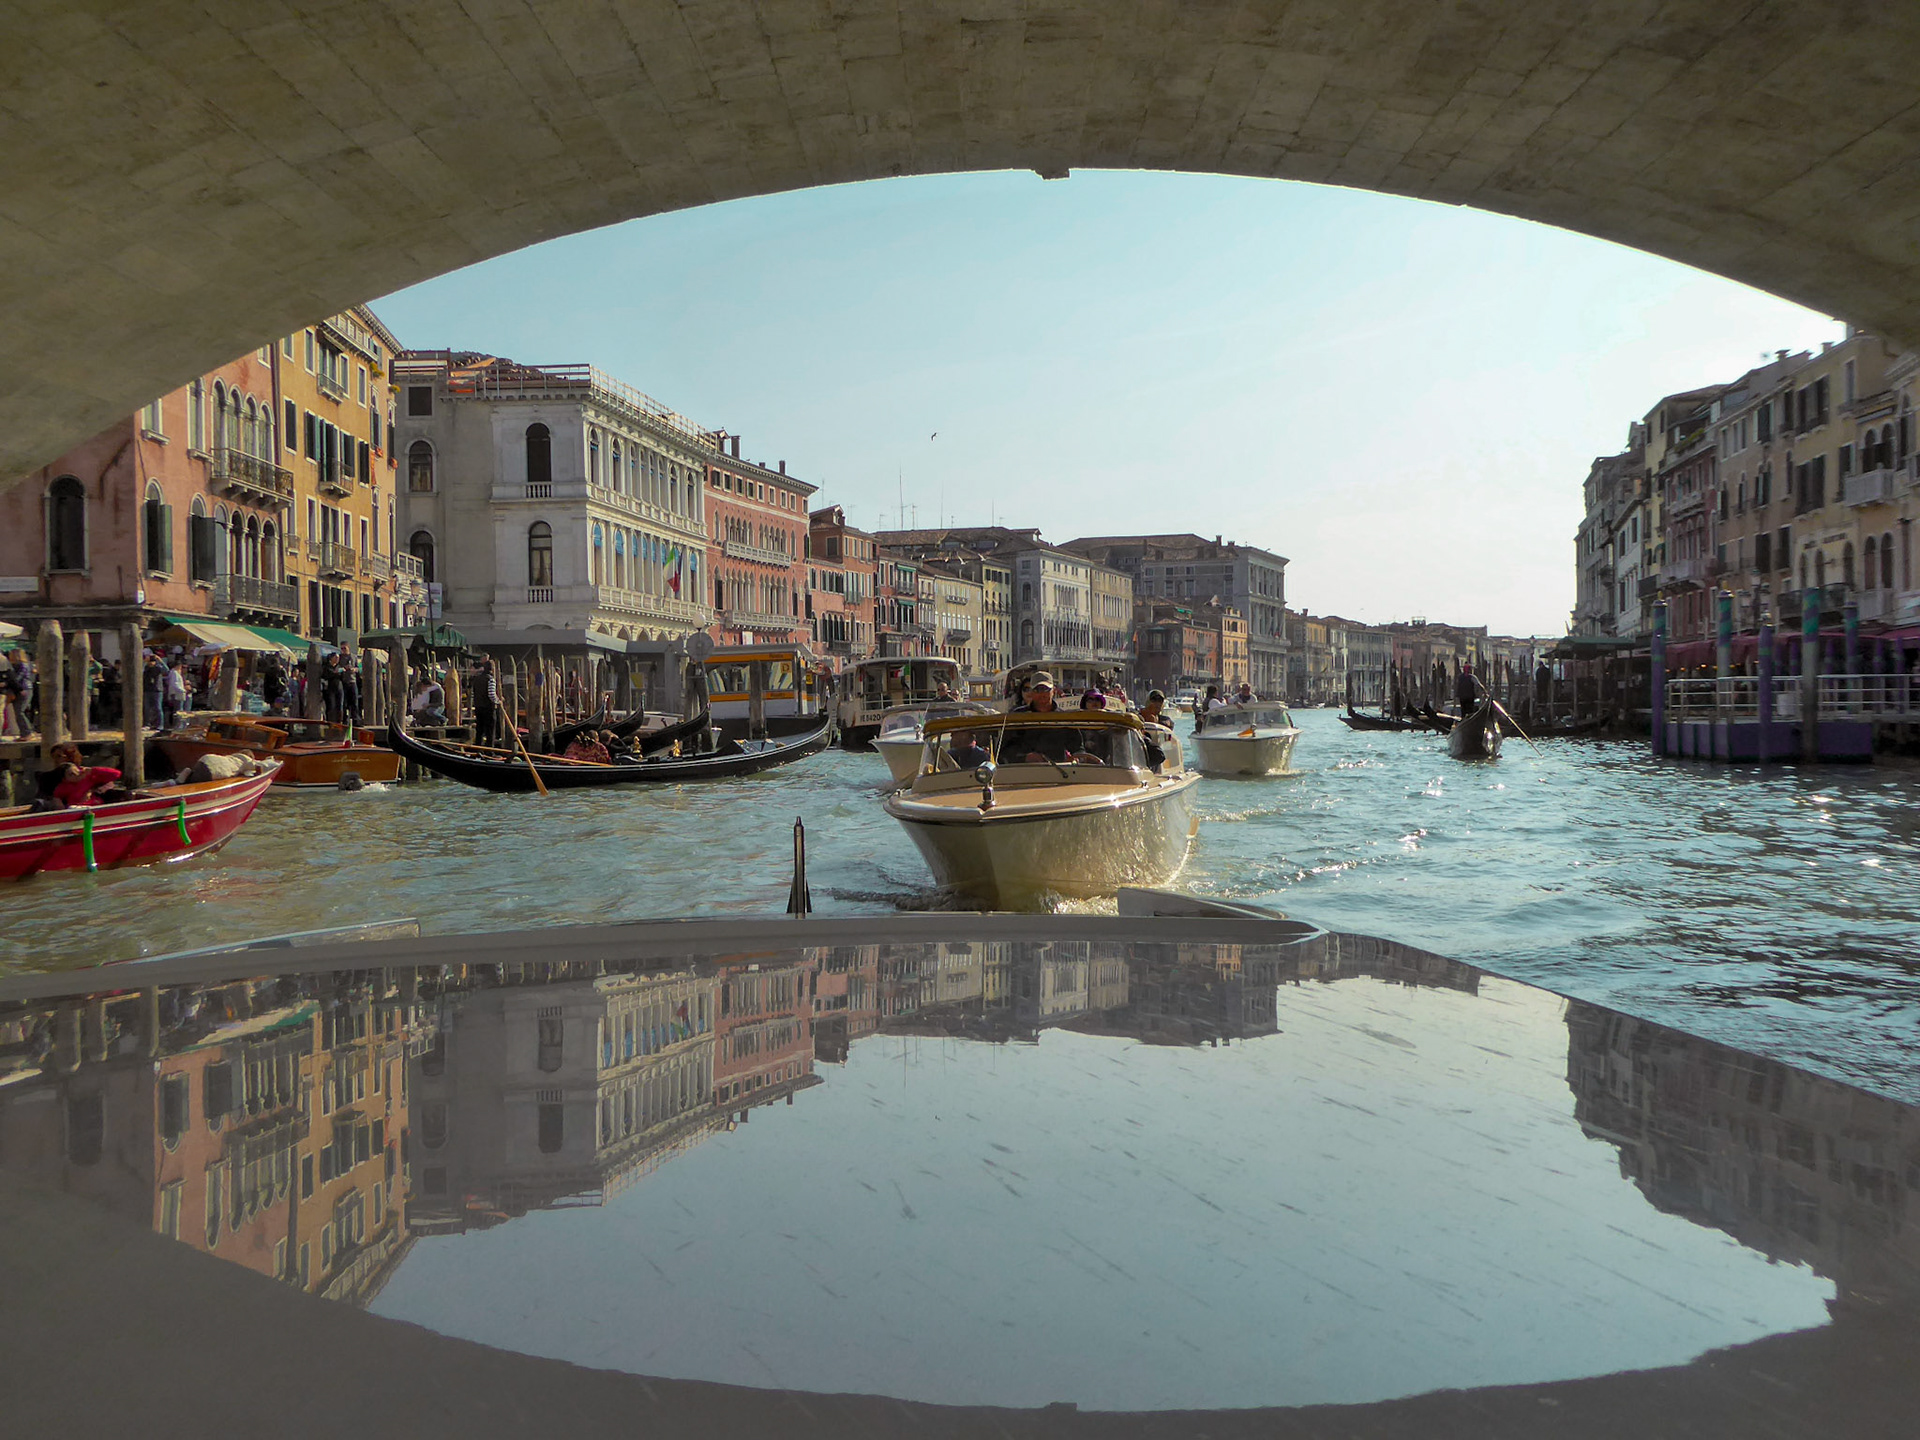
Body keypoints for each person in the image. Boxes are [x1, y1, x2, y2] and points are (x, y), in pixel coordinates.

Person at [1002, 672, 1094, 765]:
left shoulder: (1064, 718)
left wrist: (1076, 759)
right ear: (1032, 692)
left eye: (1046, 689)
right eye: (1037, 690)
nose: (1042, 693)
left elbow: (1078, 749)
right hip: (1023, 774)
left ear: (1053, 691)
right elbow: (1003, 752)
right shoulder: (1018, 717)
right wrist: (1024, 758)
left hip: (1059, 774)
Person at [45, 743, 123, 807]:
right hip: (73, 808)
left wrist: (93, 771)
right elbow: (53, 796)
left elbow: (115, 775)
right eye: (54, 757)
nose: (55, 760)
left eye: (59, 757)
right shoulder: (51, 777)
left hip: (94, 805)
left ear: (70, 757)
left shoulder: (87, 773)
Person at [1137, 690, 1168, 771]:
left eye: (1160, 701)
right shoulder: (1138, 716)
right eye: (1154, 700)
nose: (1157, 703)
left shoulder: (1166, 721)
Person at [161, 658, 188, 731]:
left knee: (179, 710)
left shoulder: (175, 673)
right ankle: (177, 726)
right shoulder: (174, 673)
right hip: (177, 694)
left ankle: (178, 725)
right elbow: (174, 684)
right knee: (178, 711)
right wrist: (183, 690)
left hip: (178, 693)